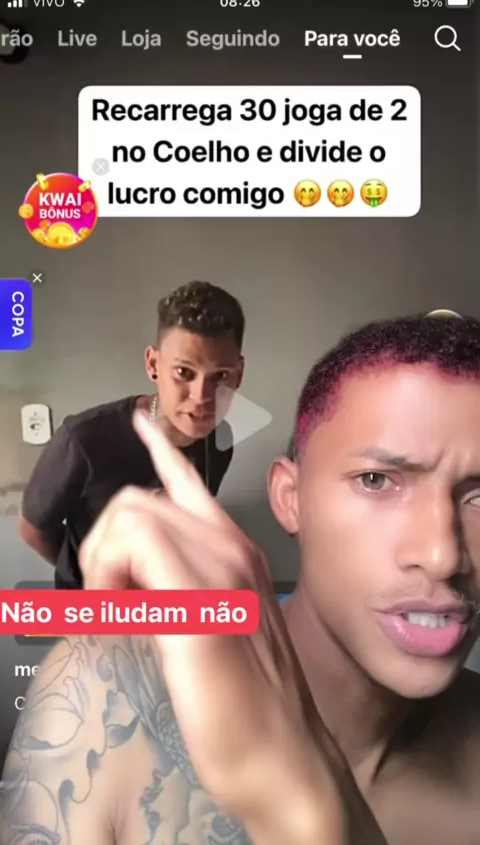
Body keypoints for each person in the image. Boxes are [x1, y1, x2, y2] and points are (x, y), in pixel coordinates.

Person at [3, 312, 480, 845]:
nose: (442, 555)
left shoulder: (218, 441)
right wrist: (90, 598)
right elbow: (33, 528)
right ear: (289, 498)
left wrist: (308, 815)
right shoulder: (100, 692)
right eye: (376, 480)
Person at [18, 280, 245, 589]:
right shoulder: (83, 439)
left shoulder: (221, 440)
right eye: (184, 372)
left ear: (239, 374)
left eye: (220, 376)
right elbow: (33, 530)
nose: (201, 397)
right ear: (153, 365)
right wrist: (90, 568)